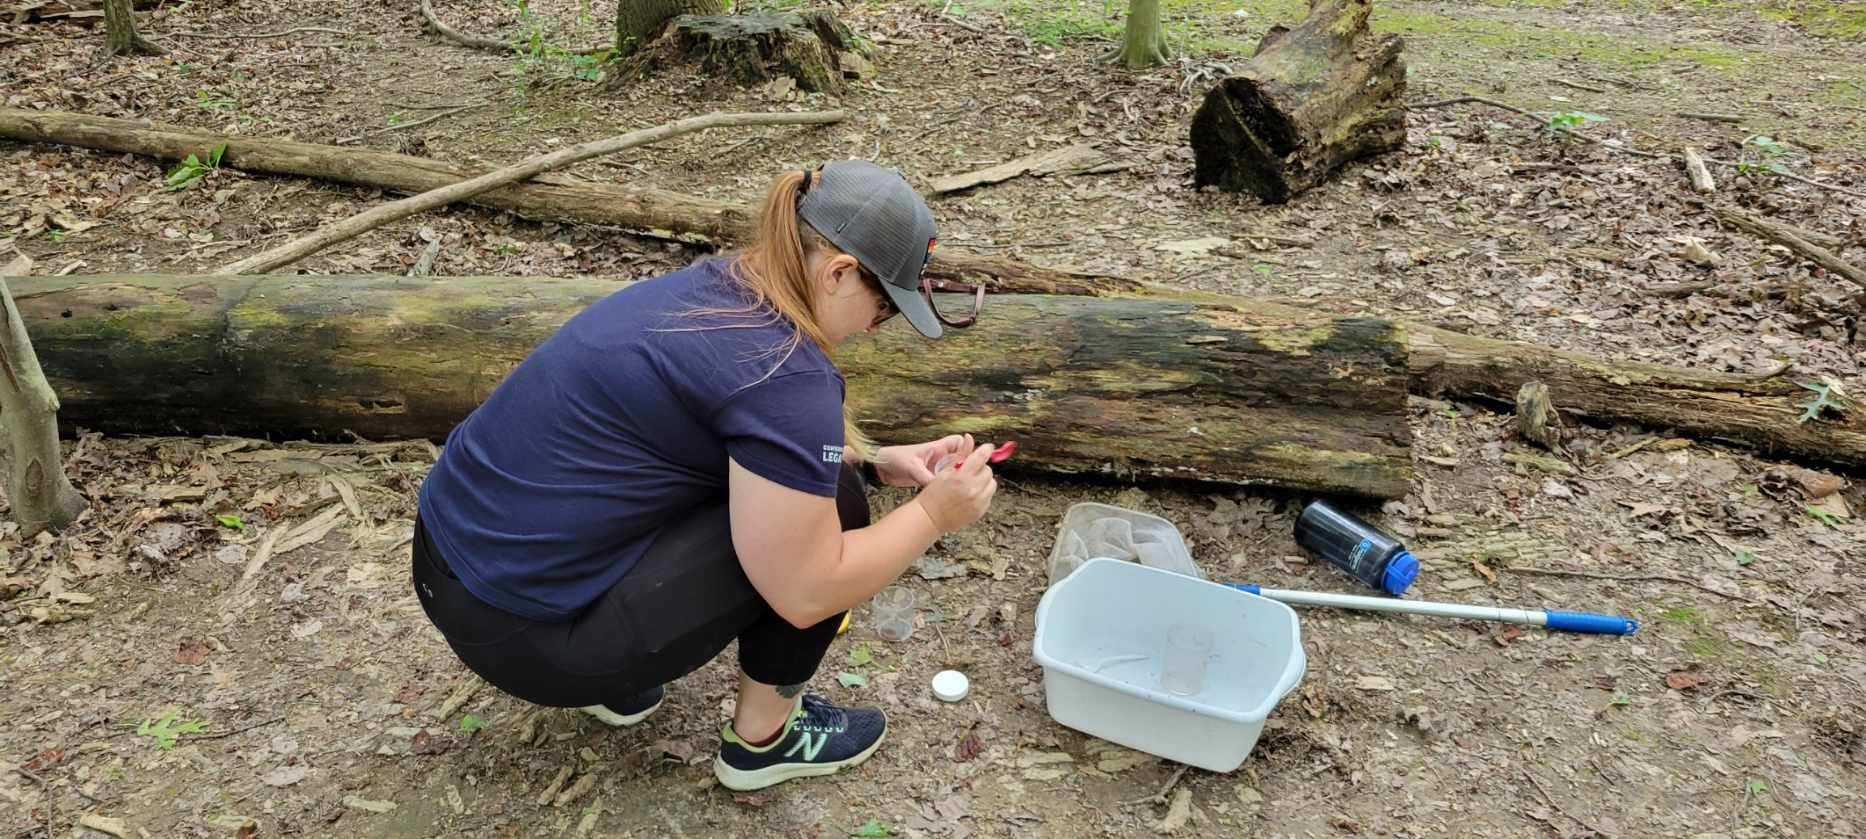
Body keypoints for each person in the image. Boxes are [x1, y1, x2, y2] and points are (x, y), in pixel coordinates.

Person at [409, 159, 999, 792]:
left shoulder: (720, 286)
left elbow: (729, 438)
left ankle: (621, 683)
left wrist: (882, 462)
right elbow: (807, 590)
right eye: (884, 310)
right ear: (838, 273)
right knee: (838, 502)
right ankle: (765, 741)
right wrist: (935, 514)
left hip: (449, 568)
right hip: (532, 641)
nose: (873, 330)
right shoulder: (786, 374)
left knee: (837, 480)